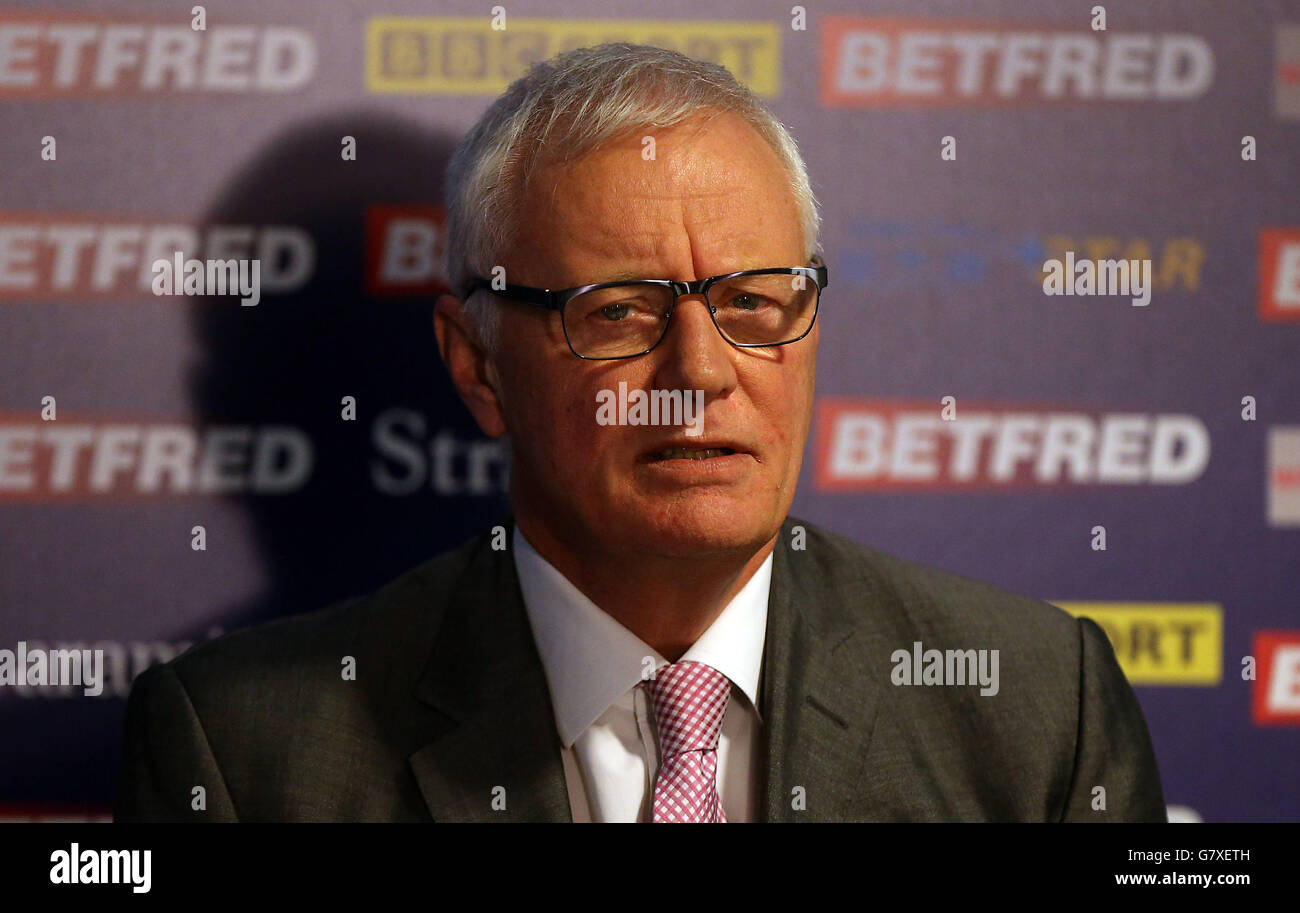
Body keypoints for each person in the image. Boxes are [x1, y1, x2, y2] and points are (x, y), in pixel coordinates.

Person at [116, 43, 1166, 823]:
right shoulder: (248, 755)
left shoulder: (1036, 715)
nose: (701, 372)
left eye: (757, 299)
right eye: (617, 310)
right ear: (477, 365)